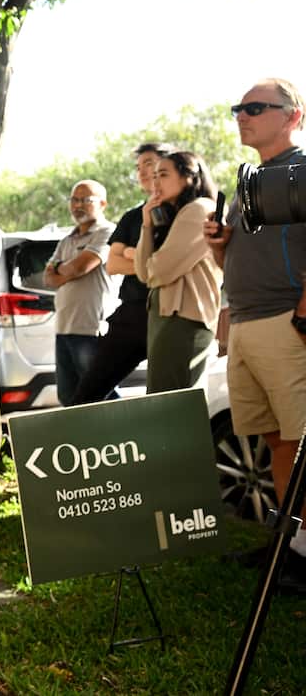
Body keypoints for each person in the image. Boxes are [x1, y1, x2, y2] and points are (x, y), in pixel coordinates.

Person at [205, 78, 306, 587]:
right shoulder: (250, 179)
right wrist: (223, 245)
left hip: (285, 324)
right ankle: (290, 549)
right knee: (278, 443)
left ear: (294, 115)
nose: (242, 115)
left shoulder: (303, 172)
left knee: (302, 442)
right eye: (238, 108)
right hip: (245, 324)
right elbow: (240, 263)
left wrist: (304, 316)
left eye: (255, 107)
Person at [71, 143, 174, 404]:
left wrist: (132, 254)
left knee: (167, 399)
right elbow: (113, 265)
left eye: (148, 164)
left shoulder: (187, 212)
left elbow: (173, 266)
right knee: (86, 395)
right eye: (138, 167)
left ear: (169, 166)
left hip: (172, 314)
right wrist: (144, 261)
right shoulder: (131, 217)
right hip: (131, 314)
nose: (142, 172)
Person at [135, 150, 221, 392]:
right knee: (165, 401)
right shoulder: (172, 216)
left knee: (173, 404)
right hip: (166, 318)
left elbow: (159, 270)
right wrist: (147, 223)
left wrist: (153, 266)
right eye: (154, 176)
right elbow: (144, 273)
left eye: (163, 174)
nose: (155, 182)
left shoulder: (199, 210)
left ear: (189, 177)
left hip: (184, 319)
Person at [43, 180, 116, 406]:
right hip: (64, 328)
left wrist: (61, 268)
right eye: (74, 200)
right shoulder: (67, 239)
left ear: (103, 204)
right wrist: (65, 269)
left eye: (86, 200)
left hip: (91, 329)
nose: (78, 205)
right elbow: (47, 279)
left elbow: (80, 267)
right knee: (69, 398)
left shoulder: (107, 232)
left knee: (100, 396)